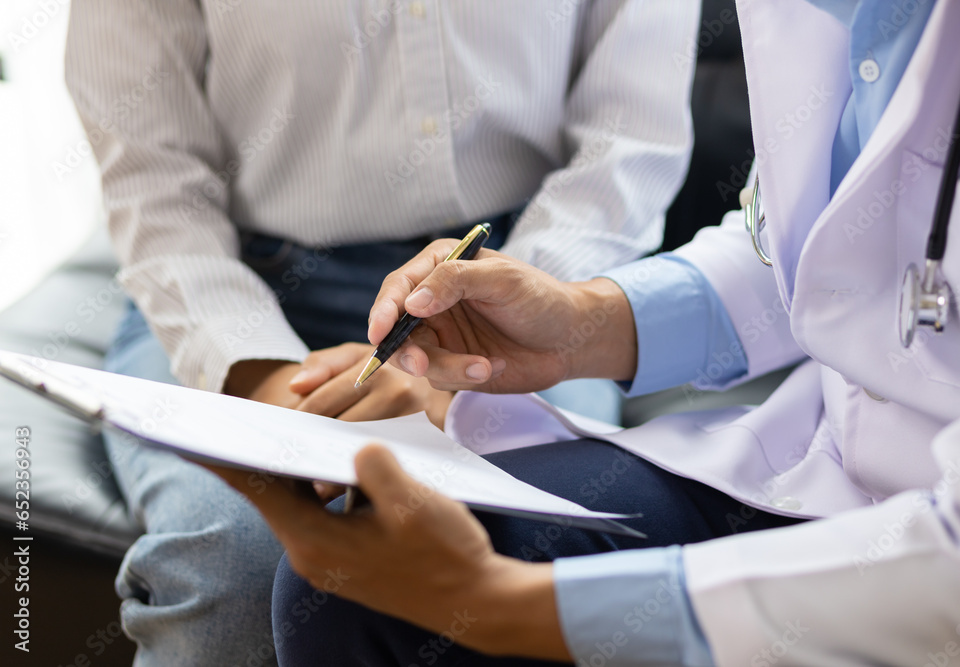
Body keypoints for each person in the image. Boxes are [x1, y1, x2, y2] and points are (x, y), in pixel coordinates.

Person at [211, 0, 960, 664]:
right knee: (358, 582)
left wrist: (500, 603)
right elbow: (799, 249)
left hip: (952, 549)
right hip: (827, 467)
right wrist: (584, 323)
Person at [64, 1, 699, 664]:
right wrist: (273, 382)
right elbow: (153, 180)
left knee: (529, 533)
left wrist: (486, 343)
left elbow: (629, 144)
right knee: (235, 557)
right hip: (230, 289)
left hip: (526, 279)